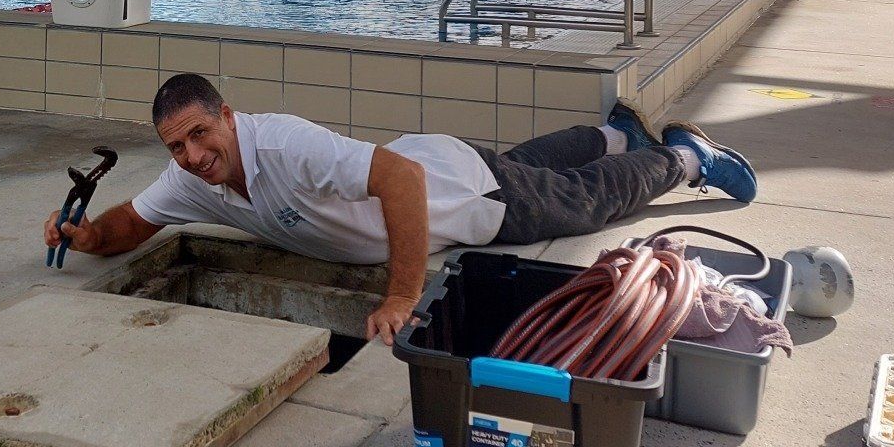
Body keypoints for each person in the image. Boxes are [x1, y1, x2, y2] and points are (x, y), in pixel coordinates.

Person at [42, 72, 757, 343]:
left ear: (227, 116)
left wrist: (403, 294)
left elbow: (402, 185)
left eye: (201, 134)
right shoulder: (192, 179)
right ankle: (613, 132)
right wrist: (83, 234)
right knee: (529, 159)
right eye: (176, 146)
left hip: (466, 196)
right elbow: (127, 226)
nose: (192, 156)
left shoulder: (284, 146)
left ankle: (684, 156)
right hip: (446, 155)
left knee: (584, 201)